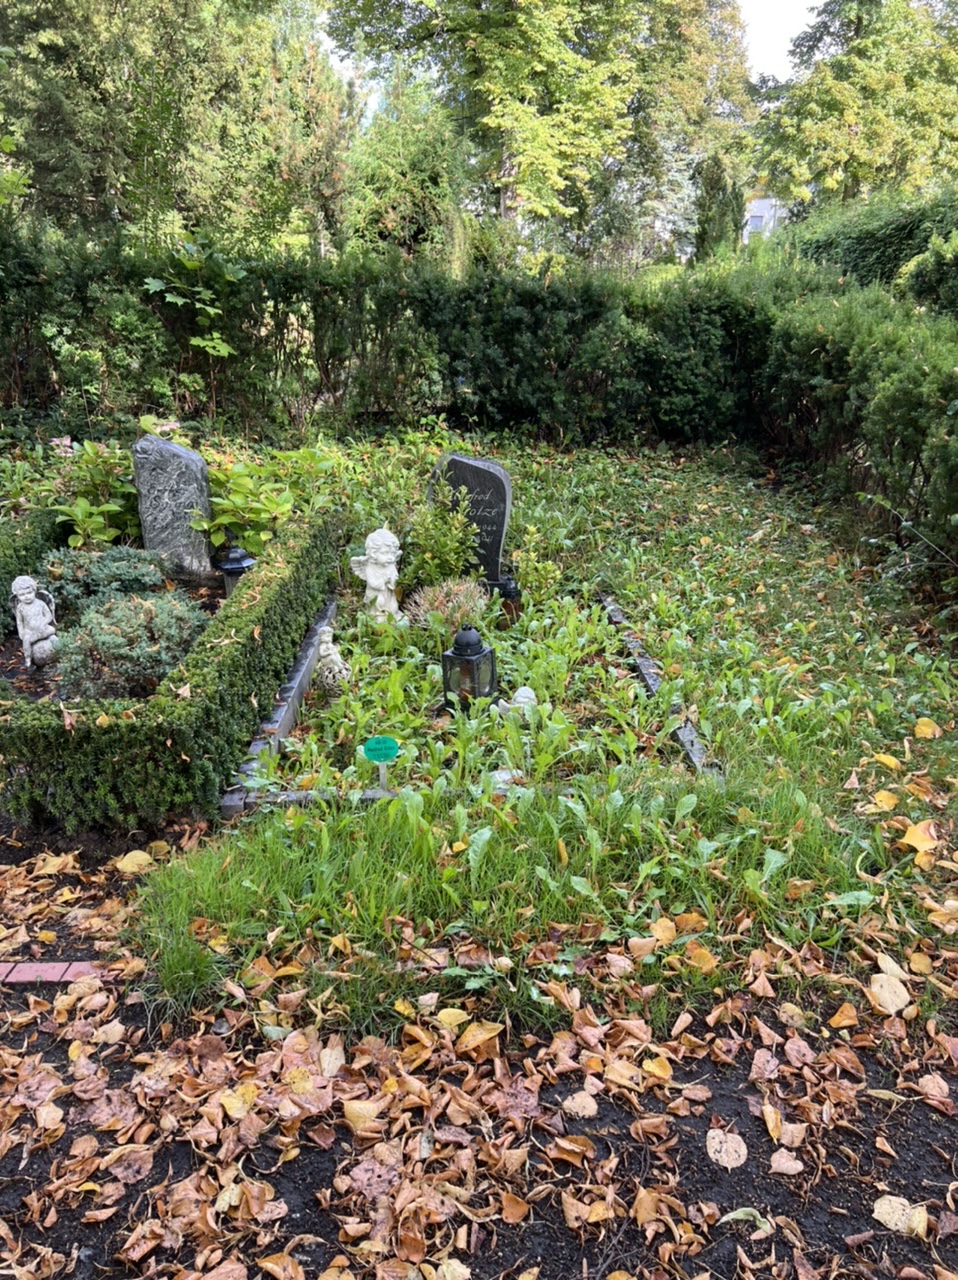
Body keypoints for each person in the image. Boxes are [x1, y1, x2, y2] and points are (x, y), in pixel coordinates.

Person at [350, 527, 403, 622]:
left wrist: (392, 580)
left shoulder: (390, 565)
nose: (390, 558)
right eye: (385, 553)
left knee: (394, 606)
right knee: (379, 601)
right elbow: (372, 583)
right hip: (376, 593)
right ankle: (377, 615)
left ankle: (391, 615)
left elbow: (396, 579)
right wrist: (384, 580)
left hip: (388, 592)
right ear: (373, 553)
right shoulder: (370, 567)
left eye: (392, 554)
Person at [9, 575, 58, 668]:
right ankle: (28, 658)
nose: (26, 596)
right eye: (22, 595)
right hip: (30, 631)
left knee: (52, 630)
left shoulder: (40, 603)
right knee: (26, 641)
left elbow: (49, 616)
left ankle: (60, 651)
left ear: (34, 591)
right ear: (17, 595)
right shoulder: (20, 608)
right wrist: (21, 633)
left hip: (43, 629)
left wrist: (43, 623)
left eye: (29, 592)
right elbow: (19, 622)